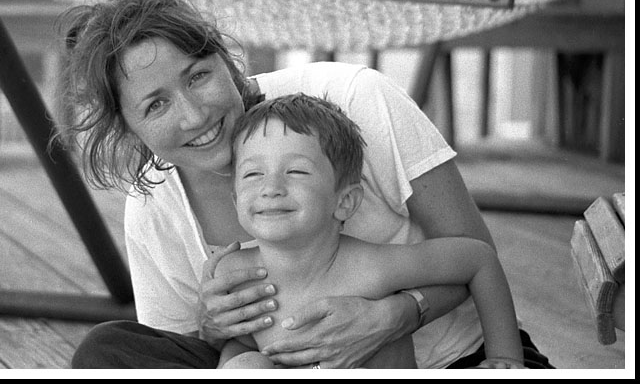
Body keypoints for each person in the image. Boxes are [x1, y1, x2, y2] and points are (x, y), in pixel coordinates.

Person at [60, 0, 553, 369]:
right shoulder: (154, 208)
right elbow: (190, 347)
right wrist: (212, 328)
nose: (194, 115)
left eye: (197, 76)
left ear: (225, 61)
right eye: (156, 104)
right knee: (108, 352)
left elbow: (471, 252)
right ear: (129, 128)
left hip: (453, 359)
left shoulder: (352, 99)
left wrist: (396, 315)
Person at [216, 93, 524, 369]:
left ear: (345, 202)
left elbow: (479, 259)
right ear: (234, 200)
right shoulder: (236, 275)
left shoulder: (371, 268)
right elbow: (246, 339)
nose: (271, 188)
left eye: (296, 171)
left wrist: (505, 356)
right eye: (253, 174)